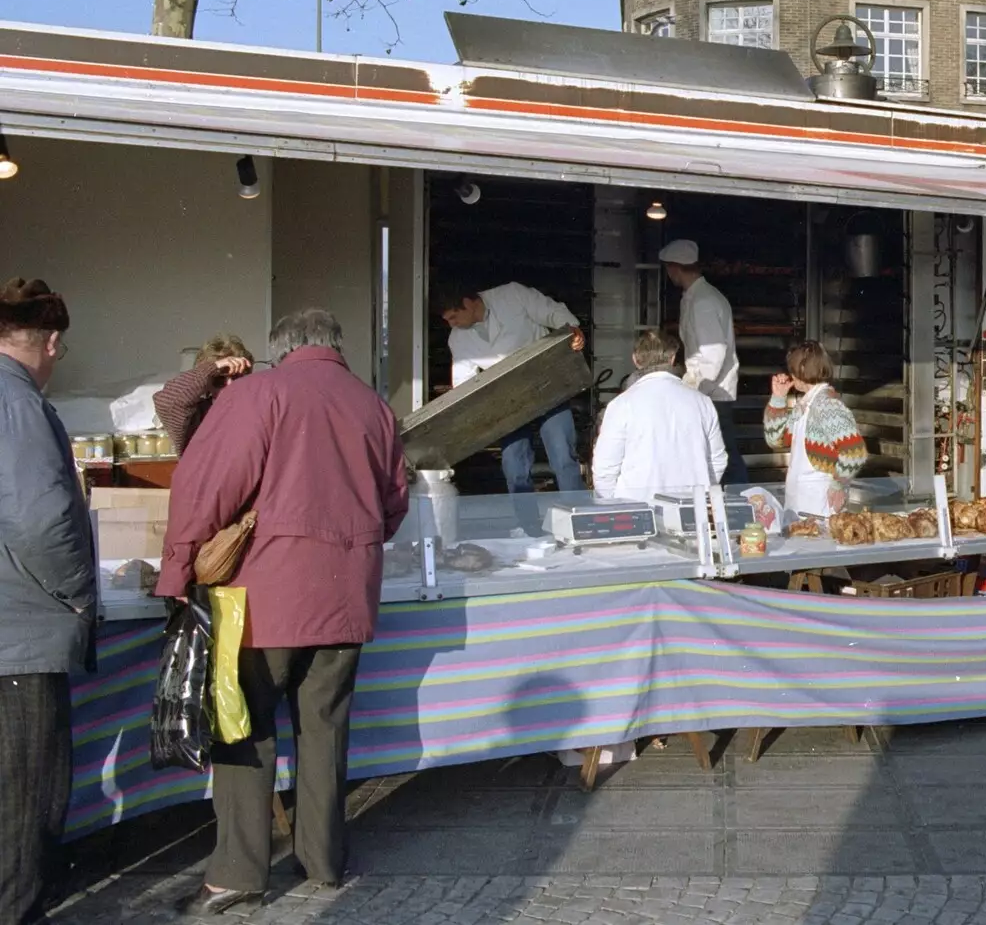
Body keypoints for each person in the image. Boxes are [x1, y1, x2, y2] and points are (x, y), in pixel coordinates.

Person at [156, 310, 409, 915]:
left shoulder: (258, 393)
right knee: (325, 728)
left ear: (281, 349)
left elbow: (205, 487)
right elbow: (394, 504)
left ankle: (238, 873)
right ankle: (323, 859)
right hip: (346, 594)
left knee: (244, 729)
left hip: (261, 597)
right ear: (334, 345)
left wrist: (177, 568)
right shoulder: (373, 406)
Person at [0, 278, 96, 925]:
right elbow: (38, 521)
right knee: (25, 803)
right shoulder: (18, 403)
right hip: (22, 634)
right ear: (52, 341)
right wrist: (77, 593)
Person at [434, 280, 586, 528]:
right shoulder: (458, 339)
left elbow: (553, 311)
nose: (451, 324)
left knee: (562, 456)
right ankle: (528, 527)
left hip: (547, 384)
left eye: (453, 317)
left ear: (468, 303)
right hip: (509, 400)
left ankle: (580, 519)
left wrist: (573, 331)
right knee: (514, 465)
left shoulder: (512, 295)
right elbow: (464, 382)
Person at [591, 330, 727, 503]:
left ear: (635, 360)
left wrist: (618, 504)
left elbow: (604, 470)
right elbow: (717, 460)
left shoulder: (621, 405)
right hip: (691, 509)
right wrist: (703, 495)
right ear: (672, 359)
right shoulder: (703, 402)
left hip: (638, 510)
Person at [659, 240, 748, 485]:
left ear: (675, 268)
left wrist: (693, 394)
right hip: (709, 392)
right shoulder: (696, 297)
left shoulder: (703, 302)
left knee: (725, 460)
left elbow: (713, 355)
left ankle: (746, 510)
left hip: (712, 394)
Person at [763, 340, 868, 521]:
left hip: (820, 501)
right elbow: (776, 440)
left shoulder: (828, 406)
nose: (791, 375)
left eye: (793, 370)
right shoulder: (804, 405)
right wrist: (778, 399)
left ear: (803, 370)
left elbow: (855, 453)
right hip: (799, 499)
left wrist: (838, 484)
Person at [152, 334, 255, 455]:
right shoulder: (196, 416)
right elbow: (167, 401)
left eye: (236, 377)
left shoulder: (255, 410)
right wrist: (213, 367)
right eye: (219, 380)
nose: (229, 385)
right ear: (207, 383)